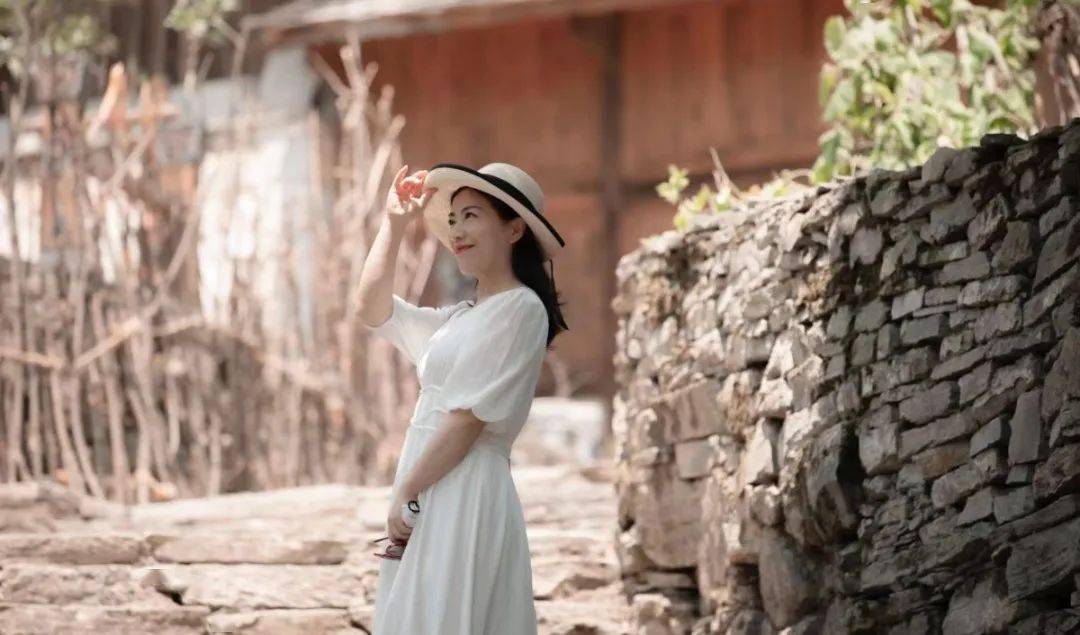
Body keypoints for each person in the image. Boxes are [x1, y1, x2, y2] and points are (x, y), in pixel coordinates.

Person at [356, 161, 568, 634]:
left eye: (471, 216)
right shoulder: (459, 320)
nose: (457, 231)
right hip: (431, 480)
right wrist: (393, 224)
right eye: (452, 220)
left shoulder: (520, 308)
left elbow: (468, 420)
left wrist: (408, 489)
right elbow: (371, 307)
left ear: (514, 229)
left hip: (466, 485)